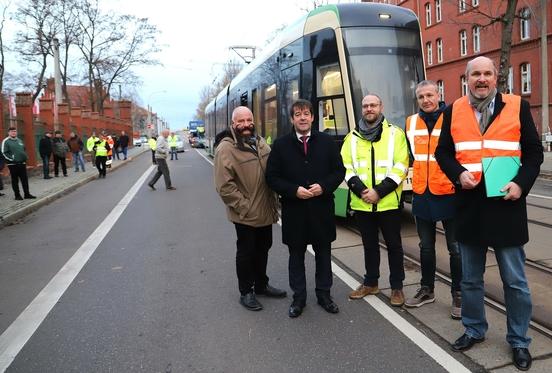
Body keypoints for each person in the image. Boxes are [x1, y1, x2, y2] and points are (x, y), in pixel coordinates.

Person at [435, 56, 543, 371]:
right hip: (469, 206)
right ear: (466, 79)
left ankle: (519, 341)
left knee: (515, 281)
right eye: (475, 74)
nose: (481, 79)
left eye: (487, 73)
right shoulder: (453, 109)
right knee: (470, 279)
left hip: (506, 203)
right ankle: (474, 329)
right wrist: (457, 174)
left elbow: (534, 152)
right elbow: (442, 151)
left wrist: (522, 184)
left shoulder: (516, 106)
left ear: (496, 77)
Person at [266, 99, 345, 318]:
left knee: (323, 255)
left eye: (306, 114)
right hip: (295, 212)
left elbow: (339, 171)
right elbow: (272, 177)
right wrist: (293, 190)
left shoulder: (327, 142)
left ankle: (324, 295)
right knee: (296, 257)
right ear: (292, 119)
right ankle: (298, 298)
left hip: (321, 210)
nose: (302, 117)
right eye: (298, 114)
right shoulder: (281, 145)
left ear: (312, 117)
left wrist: (325, 186)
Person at [214, 106, 286, 312]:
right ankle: (246, 291)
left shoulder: (261, 143)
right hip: (245, 214)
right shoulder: (226, 149)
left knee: (264, 248)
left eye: (249, 120)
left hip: (266, 210)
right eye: (241, 121)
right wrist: (244, 207)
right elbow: (224, 187)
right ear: (233, 124)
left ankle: (261, 285)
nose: (246, 125)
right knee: (246, 252)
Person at [341, 94, 409, 307]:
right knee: (369, 245)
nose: (369, 108)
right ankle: (371, 282)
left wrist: (379, 192)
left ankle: (397, 287)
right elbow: (346, 166)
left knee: (394, 245)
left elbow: (402, 166)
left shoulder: (395, 134)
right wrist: (362, 191)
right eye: (366, 106)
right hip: (362, 203)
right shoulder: (351, 137)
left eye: (373, 105)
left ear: (381, 107)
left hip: (388, 201)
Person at [404, 80, 462, 319]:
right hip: (422, 192)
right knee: (425, 247)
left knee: (455, 248)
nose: (426, 100)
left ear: (438, 95)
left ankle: (458, 292)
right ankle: (427, 289)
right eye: (421, 97)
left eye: (430, 95)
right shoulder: (410, 122)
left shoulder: (452, 118)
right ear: (417, 99)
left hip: (449, 192)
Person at [1, 127, 36, 200]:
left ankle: (27, 194)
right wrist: (12, 159)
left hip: (22, 163)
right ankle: (17, 195)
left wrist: (25, 157)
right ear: (9, 133)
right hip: (13, 164)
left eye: (15, 131)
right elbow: (4, 153)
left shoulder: (19, 140)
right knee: (15, 180)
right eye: (12, 131)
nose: (14, 133)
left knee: (24, 180)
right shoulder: (6, 141)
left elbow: (23, 149)